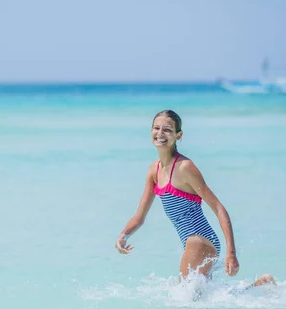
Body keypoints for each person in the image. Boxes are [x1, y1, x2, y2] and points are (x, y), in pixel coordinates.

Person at [115, 110, 274, 288]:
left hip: (199, 239)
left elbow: (219, 208)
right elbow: (139, 217)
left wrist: (231, 253)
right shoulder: (154, 170)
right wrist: (123, 236)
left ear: (178, 135)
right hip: (192, 242)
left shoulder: (185, 168)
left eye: (167, 130)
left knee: (187, 298)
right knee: (205, 299)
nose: (160, 134)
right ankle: (263, 284)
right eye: (156, 128)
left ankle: (263, 285)